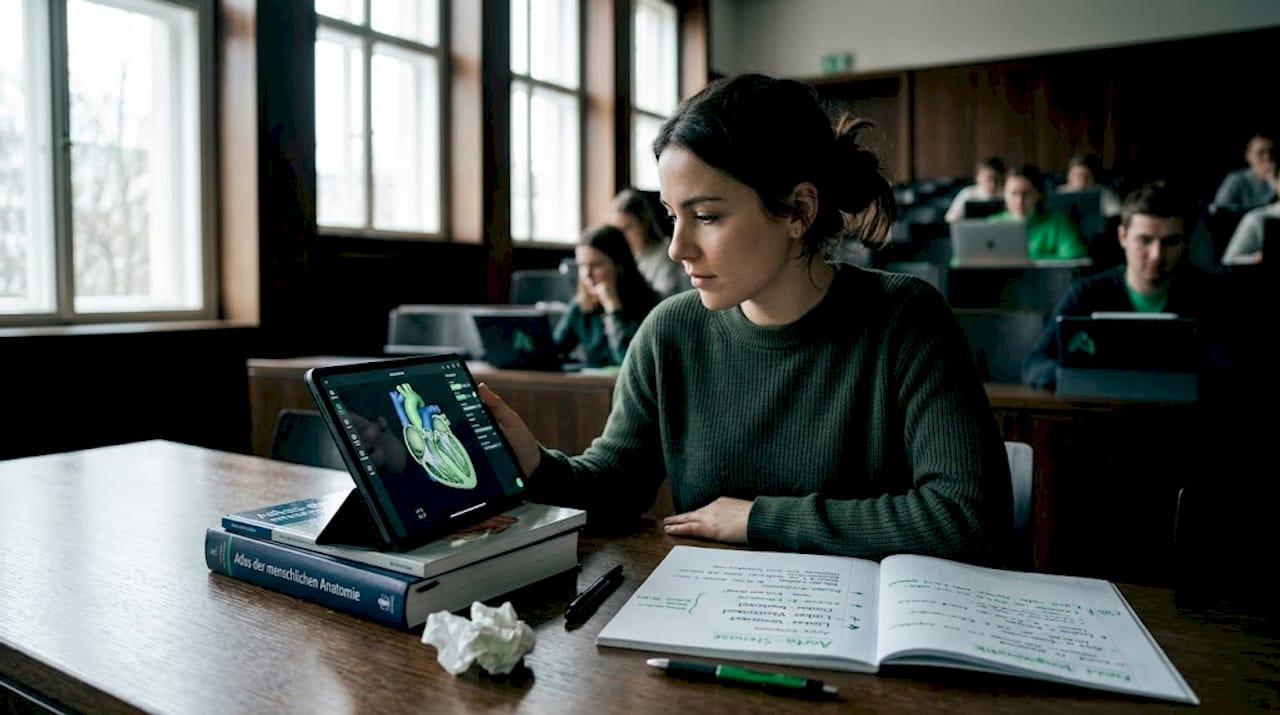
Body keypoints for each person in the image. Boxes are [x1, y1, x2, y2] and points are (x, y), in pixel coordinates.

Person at [480, 73, 1011, 565]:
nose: (678, 248)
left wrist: (760, 518)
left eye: (706, 217)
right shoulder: (670, 331)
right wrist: (535, 464)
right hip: (716, 619)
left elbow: (966, 517)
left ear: (799, 211)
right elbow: (614, 490)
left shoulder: (907, 320)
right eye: (672, 216)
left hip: (873, 638)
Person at [1022, 180, 1232, 389]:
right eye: (1144, 240)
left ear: (1185, 241)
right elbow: (1035, 365)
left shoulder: (1209, 293)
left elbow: (1232, 368)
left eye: (1170, 242)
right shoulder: (1087, 293)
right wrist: (1084, 379)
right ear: (1123, 237)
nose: (1157, 255)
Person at [552, 224, 658, 367]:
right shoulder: (580, 306)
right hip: (595, 388)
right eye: (582, 266)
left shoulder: (649, 305)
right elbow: (551, 353)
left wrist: (613, 309)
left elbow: (631, 362)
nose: (587, 275)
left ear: (619, 266)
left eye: (595, 265)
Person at [990, 164, 1089, 261]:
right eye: (1013, 193)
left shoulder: (1058, 223)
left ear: (1039, 195)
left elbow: (1075, 257)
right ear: (1004, 195)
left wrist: (1028, 261)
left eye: (1026, 194)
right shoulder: (992, 224)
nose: (1019, 201)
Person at [609, 188, 692, 299]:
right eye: (617, 229)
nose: (621, 235)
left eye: (627, 228)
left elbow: (664, 297)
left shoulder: (665, 253)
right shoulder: (618, 255)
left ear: (644, 224)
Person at [1220, 149, 1278, 265]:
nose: (1266, 157)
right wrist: (1257, 258)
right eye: (1261, 153)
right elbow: (1229, 260)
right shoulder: (1257, 218)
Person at [1211, 132, 1277, 213]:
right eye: (1260, 153)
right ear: (1248, 156)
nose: (1267, 157)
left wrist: (1274, 180)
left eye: (1272, 152)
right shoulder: (1236, 180)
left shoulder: (1277, 180)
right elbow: (1219, 210)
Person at [943, 155, 1005, 223]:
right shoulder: (967, 194)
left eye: (996, 179)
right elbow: (950, 219)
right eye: (988, 179)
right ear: (978, 177)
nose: (993, 184)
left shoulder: (1007, 194)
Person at [1059, 153, 1122, 218]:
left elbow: (1116, 215)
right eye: (1075, 175)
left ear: (1094, 177)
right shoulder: (1059, 193)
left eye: (1086, 176)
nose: (1081, 181)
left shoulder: (1105, 194)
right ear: (1068, 176)